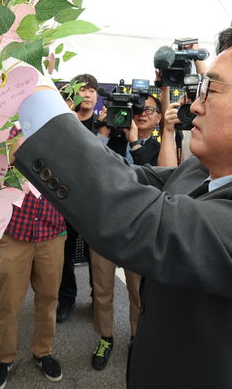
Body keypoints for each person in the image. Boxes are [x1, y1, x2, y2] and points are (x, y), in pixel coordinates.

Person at [14, 17, 232, 388]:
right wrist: (28, 134)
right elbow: (122, 179)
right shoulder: (198, 171)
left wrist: (33, 94)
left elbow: (140, 222)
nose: (195, 105)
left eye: (211, 90)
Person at [88, 94, 163, 370]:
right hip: (106, 226)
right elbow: (92, 169)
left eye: (150, 109)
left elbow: (155, 180)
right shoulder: (113, 140)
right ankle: (105, 337)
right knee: (102, 287)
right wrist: (105, 129)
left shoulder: (159, 147)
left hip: (140, 229)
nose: (142, 113)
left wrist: (135, 141)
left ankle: (136, 337)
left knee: (138, 291)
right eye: (138, 108)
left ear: (158, 118)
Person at [0, 128, 67, 389]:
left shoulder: (61, 132)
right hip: (15, 232)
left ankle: (43, 352)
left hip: (52, 231)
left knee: (48, 297)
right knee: (8, 300)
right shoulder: (5, 130)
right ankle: (5, 358)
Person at [55, 74, 97, 323]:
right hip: (66, 201)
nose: (88, 94)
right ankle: (66, 300)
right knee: (65, 255)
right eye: (83, 90)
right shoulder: (64, 123)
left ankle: (98, 299)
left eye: (92, 90)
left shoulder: (105, 125)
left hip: (95, 203)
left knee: (97, 257)